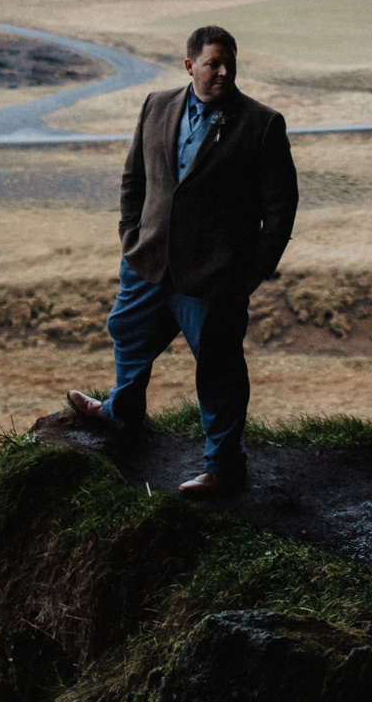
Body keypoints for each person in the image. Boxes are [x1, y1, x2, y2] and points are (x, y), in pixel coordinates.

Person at [68, 25, 298, 496]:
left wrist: (253, 273)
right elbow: (135, 179)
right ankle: (121, 415)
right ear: (189, 65)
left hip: (214, 279)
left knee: (219, 370)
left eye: (230, 62)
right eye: (213, 63)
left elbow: (281, 207)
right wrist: (130, 237)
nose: (224, 71)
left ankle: (224, 466)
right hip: (147, 262)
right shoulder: (156, 106)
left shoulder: (262, 123)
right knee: (127, 336)